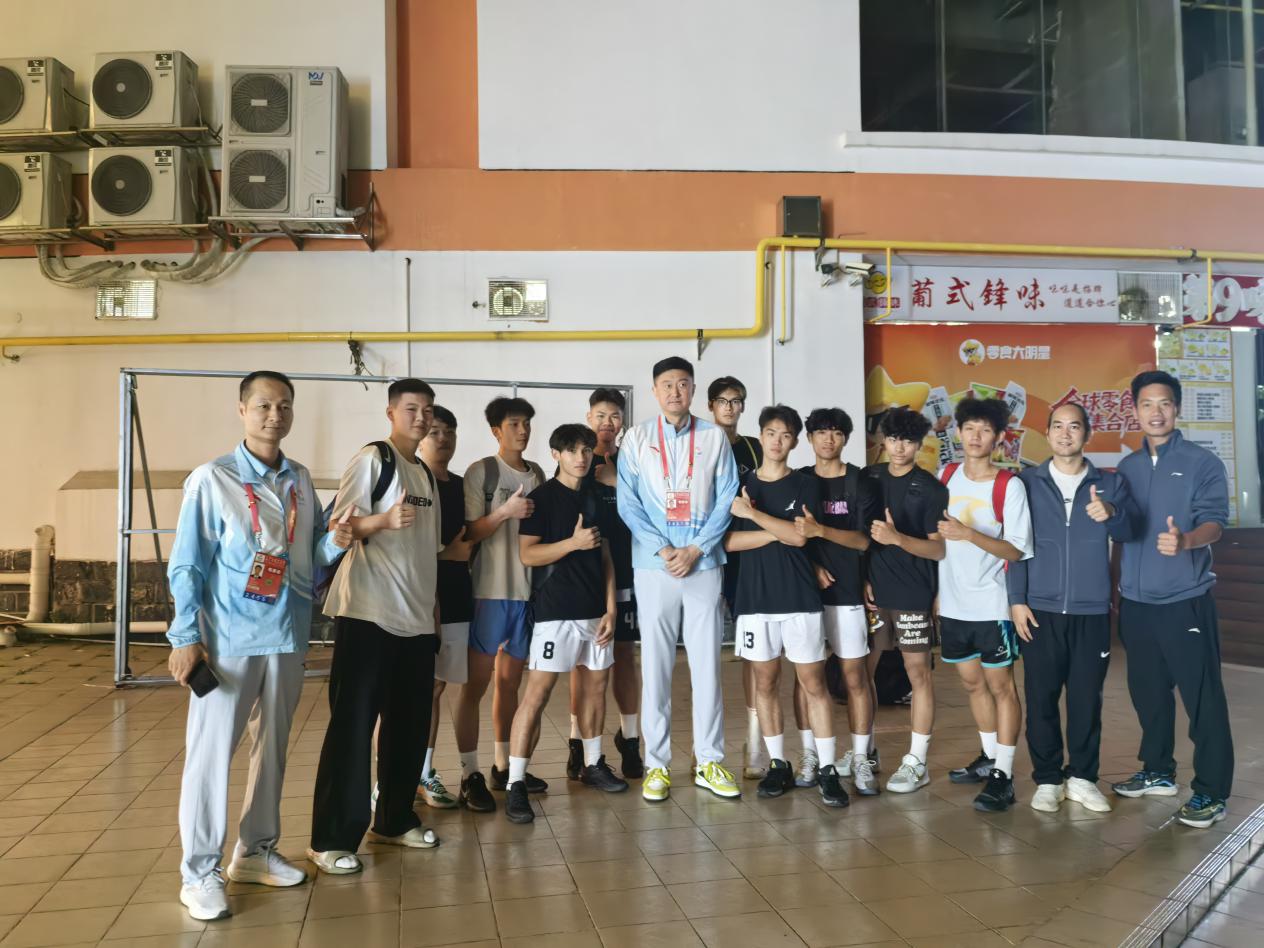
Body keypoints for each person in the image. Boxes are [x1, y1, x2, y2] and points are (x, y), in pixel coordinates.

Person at [168, 371, 351, 921]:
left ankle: (255, 851)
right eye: (265, 405)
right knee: (210, 756)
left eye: (285, 406)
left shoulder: (299, 479)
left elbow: (308, 554)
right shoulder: (213, 479)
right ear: (242, 410)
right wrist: (185, 636)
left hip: (287, 636)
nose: (276, 415)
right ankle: (199, 872)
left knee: (272, 747)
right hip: (229, 639)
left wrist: (335, 540)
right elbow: (187, 564)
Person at [309, 378, 444, 874]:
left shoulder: (424, 475)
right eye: (411, 409)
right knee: (353, 727)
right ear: (391, 412)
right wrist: (382, 521)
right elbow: (338, 529)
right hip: (368, 614)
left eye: (427, 410)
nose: (420, 418)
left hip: (415, 620)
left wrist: (431, 614)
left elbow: (427, 553)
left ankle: (393, 820)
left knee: (408, 727)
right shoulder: (374, 458)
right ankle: (330, 839)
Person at [1112, 370, 1233, 829]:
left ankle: (1211, 792)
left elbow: (1215, 523)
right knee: (1148, 694)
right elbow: (1123, 530)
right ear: (1135, 410)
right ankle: (1158, 771)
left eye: (1164, 403)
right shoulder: (1127, 467)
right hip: (1137, 603)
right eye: (1146, 404)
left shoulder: (1202, 463)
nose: (1156, 412)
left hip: (1185, 600)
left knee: (1202, 699)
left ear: (1176, 408)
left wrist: (1186, 541)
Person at [618, 356, 740, 801]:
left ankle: (709, 761)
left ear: (693, 390)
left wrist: (696, 548)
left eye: (683, 383)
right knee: (655, 665)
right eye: (667, 384)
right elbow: (628, 502)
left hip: (703, 565)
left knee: (707, 664)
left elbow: (728, 497)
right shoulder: (636, 438)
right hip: (656, 567)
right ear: (654, 391)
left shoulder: (713, 437)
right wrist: (664, 549)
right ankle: (657, 764)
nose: (675, 391)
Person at [1008, 402, 1136, 814]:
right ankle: (1048, 779)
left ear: (1087, 433)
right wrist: (1016, 600)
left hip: (1091, 610)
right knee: (1041, 698)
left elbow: (1131, 530)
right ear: (1047, 433)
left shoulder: (1110, 483)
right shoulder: (1026, 483)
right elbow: (1015, 546)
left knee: (1086, 700)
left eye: (1074, 426)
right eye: (1058, 426)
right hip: (1039, 610)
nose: (1066, 434)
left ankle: (1082, 778)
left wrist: (1111, 513)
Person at [726, 406, 849, 807]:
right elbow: (729, 542)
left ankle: (827, 769)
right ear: (760, 436)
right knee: (764, 684)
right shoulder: (741, 484)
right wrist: (775, 531)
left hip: (798, 598)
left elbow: (800, 538)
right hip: (754, 599)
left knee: (814, 684)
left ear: (795, 441)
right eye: (771, 433)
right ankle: (778, 763)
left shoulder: (805, 484)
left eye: (785, 435)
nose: (777, 441)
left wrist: (753, 515)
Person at [506, 424, 627, 822]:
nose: (581, 457)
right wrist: (572, 544)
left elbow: (606, 556)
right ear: (556, 454)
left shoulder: (596, 497)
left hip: (595, 613)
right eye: (572, 450)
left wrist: (610, 609)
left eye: (587, 450)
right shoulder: (541, 499)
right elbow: (528, 555)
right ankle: (516, 782)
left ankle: (592, 764)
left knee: (596, 689)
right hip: (556, 613)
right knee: (536, 696)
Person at [936, 397, 1033, 813]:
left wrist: (969, 534)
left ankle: (1004, 776)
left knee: (1001, 687)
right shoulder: (945, 476)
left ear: (999, 438)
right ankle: (990, 757)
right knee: (972, 684)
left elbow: (1016, 550)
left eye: (986, 430)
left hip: (992, 605)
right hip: (953, 603)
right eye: (969, 428)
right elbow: (937, 539)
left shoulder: (1009, 485)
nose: (976, 437)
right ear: (958, 433)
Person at [453, 396, 547, 812]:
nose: (522, 431)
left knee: (510, 684)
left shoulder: (538, 473)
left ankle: (503, 765)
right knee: (475, 685)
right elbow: (470, 532)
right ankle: (468, 772)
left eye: (526, 423)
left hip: (526, 594)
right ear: (496, 430)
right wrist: (506, 511)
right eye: (513, 424)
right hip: (488, 593)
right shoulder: (483, 472)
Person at [794, 408, 883, 795]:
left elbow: (863, 540)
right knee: (806, 678)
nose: (828, 439)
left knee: (855, 676)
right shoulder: (799, 480)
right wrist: (812, 566)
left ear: (845, 439)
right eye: (821, 432)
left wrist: (821, 531)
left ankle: (862, 758)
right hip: (805, 593)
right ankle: (810, 754)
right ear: (809, 438)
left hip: (847, 592)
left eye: (835, 433)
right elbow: (792, 537)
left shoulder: (858, 481)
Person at [864, 408, 947, 794]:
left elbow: (939, 550)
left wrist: (897, 539)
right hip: (874, 594)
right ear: (884, 440)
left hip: (914, 592)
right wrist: (863, 579)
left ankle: (917, 761)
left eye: (908, 441)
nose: (900, 447)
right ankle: (865, 751)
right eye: (894, 439)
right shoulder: (870, 478)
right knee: (862, 672)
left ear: (919, 444)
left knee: (918, 674)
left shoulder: (930, 488)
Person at [566, 388, 644, 782]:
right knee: (583, 662)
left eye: (614, 416)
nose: (607, 423)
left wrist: (618, 482)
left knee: (625, 655)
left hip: (628, 572)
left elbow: (653, 505)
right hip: (585, 578)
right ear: (589, 417)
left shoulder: (633, 461)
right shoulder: (577, 460)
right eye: (600, 415)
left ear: (622, 422)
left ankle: (630, 739)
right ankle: (577, 741)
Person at [707, 375, 768, 780]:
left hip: (745, 555)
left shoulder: (753, 448)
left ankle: (755, 742)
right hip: (706, 554)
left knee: (752, 651)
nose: (730, 407)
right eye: (723, 401)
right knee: (704, 651)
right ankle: (705, 746)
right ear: (711, 406)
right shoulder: (698, 444)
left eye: (736, 401)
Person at [416, 405, 473, 809]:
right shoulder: (411, 480)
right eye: (434, 431)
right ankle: (389, 778)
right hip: (414, 600)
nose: (443, 438)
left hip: (454, 597)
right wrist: (444, 554)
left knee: (436, 688)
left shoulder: (462, 486)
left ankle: (423, 772)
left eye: (449, 431)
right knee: (404, 692)